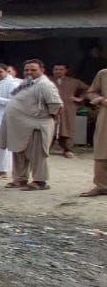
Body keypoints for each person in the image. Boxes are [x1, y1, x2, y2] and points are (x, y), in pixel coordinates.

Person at [0, 60, 62, 191]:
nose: (29, 72)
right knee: (18, 152)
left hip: (35, 126)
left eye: (33, 70)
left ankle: (40, 181)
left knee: (37, 155)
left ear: (42, 70)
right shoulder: (26, 83)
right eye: (26, 70)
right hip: (19, 127)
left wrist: (42, 118)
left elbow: (56, 105)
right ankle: (20, 179)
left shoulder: (45, 85)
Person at [78, 68, 107, 197]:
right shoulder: (103, 74)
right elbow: (91, 92)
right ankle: (102, 186)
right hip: (105, 117)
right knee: (102, 150)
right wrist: (101, 100)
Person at [51, 63, 87, 158]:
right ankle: (45, 148)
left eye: (61, 69)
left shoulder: (74, 81)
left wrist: (79, 98)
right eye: (56, 69)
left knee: (67, 128)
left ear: (66, 70)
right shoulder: (47, 81)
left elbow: (88, 89)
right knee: (49, 127)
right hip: (50, 107)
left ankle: (68, 149)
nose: (58, 71)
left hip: (68, 107)